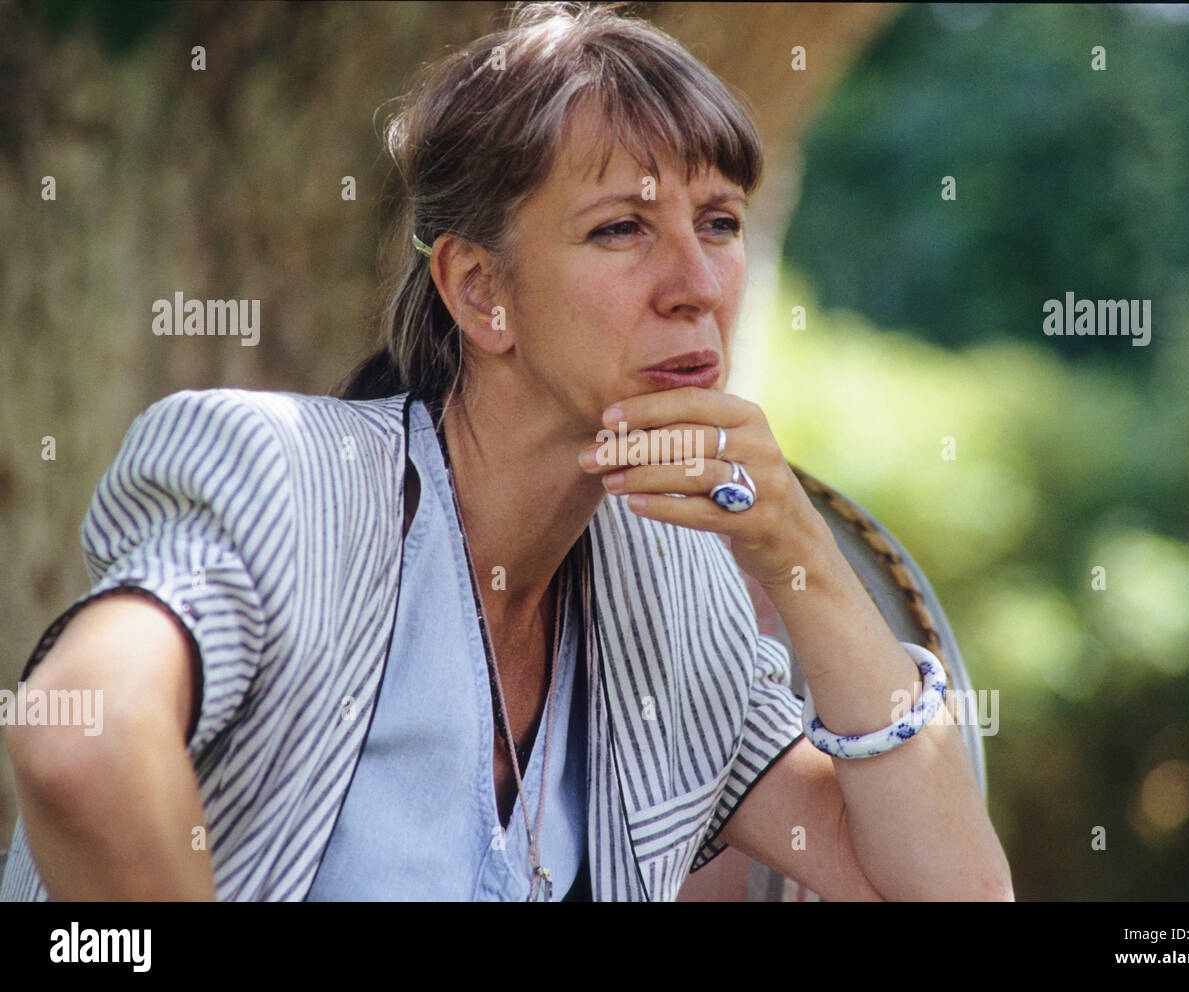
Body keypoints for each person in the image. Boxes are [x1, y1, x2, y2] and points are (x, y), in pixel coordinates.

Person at [1, 1, 1012, 902]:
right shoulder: (288, 478)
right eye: (622, 227)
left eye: (718, 222)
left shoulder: (670, 588)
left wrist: (798, 546)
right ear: (480, 291)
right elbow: (79, 738)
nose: (696, 282)